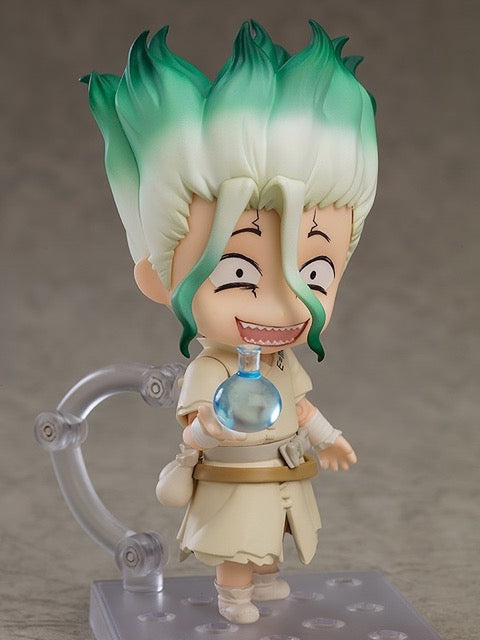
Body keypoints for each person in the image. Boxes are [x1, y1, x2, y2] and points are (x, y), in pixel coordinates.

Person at [83, 19, 378, 624]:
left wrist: (329, 437)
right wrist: (208, 430)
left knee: (273, 536)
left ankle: (263, 581)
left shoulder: (283, 362)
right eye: (239, 273)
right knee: (236, 538)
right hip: (230, 474)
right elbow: (193, 425)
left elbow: (300, 408)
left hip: (281, 472)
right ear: (157, 274)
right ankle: (232, 594)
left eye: (316, 272)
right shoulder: (213, 367)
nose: (281, 304)